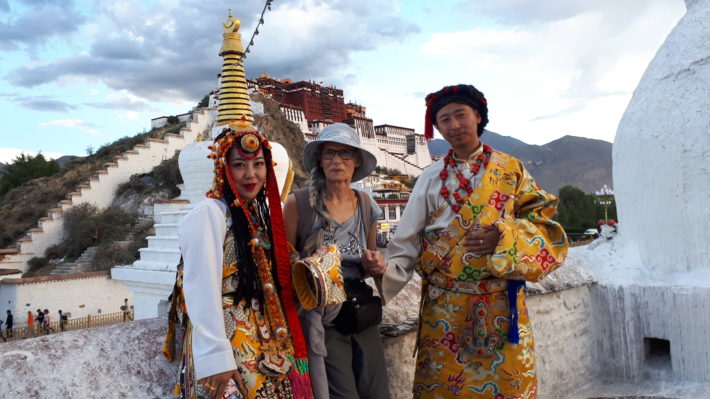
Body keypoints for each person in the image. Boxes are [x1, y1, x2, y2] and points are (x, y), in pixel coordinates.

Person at [380, 84, 569, 398]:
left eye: (460, 115)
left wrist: (505, 236)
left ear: (477, 117)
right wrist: (381, 282)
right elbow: (406, 240)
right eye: (444, 120)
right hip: (445, 307)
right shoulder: (430, 177)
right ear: (437, 127)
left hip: (500, 303)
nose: (453, 125)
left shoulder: (512, 171)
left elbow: (547, 227)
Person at [169, 119, 313, 399]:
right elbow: (200, 288)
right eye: (239, 165)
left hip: (262, 340)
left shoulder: (255, 217)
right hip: (227, 341)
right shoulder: (209, 213)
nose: (251, 174)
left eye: (258, 164)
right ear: (223, 169)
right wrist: (215, 359)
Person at [283, 123, 391, 399]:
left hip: (361, 310)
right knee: (341, 392)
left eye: (345, 154)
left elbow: (368, 261)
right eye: (329, 153)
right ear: (320, 159)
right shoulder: (299, 204)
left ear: (356, 161)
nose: (337, 161)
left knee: (375, 390)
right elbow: (283, 259)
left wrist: (375, 265)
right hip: (323, 315)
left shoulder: (367, 205)